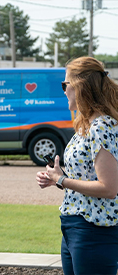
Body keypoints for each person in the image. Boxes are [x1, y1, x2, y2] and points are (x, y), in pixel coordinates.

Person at [36, 56, 118, 275]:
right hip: (75, 226)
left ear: (80, 86)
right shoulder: (87, 124)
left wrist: (62, 179)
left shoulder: (102, 126)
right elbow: (88, 179)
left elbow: (109, 188)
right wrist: (57, 179)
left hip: (93, 230)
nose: (63, 90)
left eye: (66, 84)